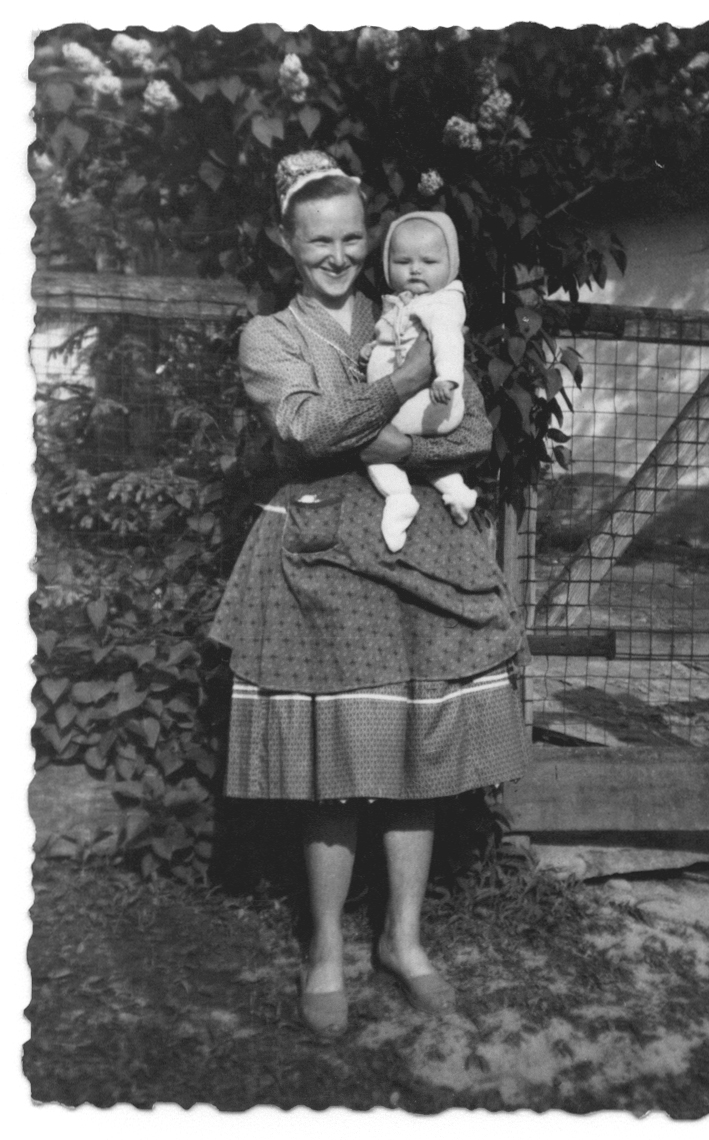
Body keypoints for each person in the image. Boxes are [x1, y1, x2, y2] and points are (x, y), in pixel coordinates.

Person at [210, 150, 530, 1038]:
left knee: (417, 750)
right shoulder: (270, 337)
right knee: (335, 770)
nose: (339, 255)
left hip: (418, 548)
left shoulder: (411, 307)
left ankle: (403, 940)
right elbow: (306, 430)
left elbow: (472, 431)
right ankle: (323, 949)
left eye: (353, 238)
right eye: (320, 241)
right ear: (288, 242)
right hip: (321, 555)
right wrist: (403, 383)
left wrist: (401, 439)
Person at [363, 211, 477, 552]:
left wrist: (448, 378)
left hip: (429, 399)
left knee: (371, 443)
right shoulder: (407, 303)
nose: (415, 269)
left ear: (451, 265)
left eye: (429, 261)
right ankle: (457, 491)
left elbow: (449, 339)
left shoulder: (440, 304)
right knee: (416, 451)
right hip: (423, 407)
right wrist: (371, 351)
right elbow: (391, 338)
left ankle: (399, 497)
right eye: (403, 261)